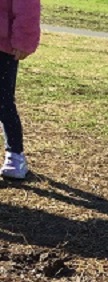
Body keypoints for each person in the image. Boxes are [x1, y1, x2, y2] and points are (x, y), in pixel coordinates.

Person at [0, 0, 41, 180]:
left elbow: (28, 7)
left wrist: (24, 39)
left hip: (3, 46)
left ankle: (15, 155)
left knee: (3, 100)